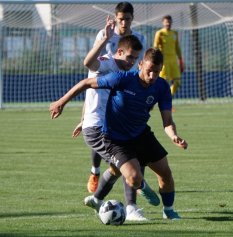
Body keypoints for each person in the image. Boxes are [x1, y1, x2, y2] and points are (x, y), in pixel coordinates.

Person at [49, 48, 188, 220]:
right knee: (134, 178)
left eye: (157, 72)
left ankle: (169, 210)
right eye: (149, 70)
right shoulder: (122, 79)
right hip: (116, 139)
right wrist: (61, 102)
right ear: (141, 64)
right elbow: (86, 83)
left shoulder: (161, 87)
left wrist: (173, 135)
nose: (152, 76)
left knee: (165, 173)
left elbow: (167, 121)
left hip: (141, 134)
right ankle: (142, 187)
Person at [83, 1, 146, 194]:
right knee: (100, 129)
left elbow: (140, 66)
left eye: (127, 19)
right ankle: (95, 171)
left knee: (125, 140)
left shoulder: (139, 38)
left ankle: (130, 194)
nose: (124, 23)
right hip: (103, 87)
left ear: (132, 18)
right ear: (116, 18)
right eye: (121, 19)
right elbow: (92, 66)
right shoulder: (105, 35)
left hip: (125, 90)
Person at [153, 15, 184, 98]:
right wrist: (156, 59)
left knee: (177, 82)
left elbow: (177, 47)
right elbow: (155, 47)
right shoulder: (160, 33)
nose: (168, 23)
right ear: (163, 23)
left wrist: (181, 59)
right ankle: (160, 98)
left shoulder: (174, 33)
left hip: (173, 61)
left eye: (169, 22)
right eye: (166, 22)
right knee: (164, 82)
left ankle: (167, 96)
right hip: (164, 61)